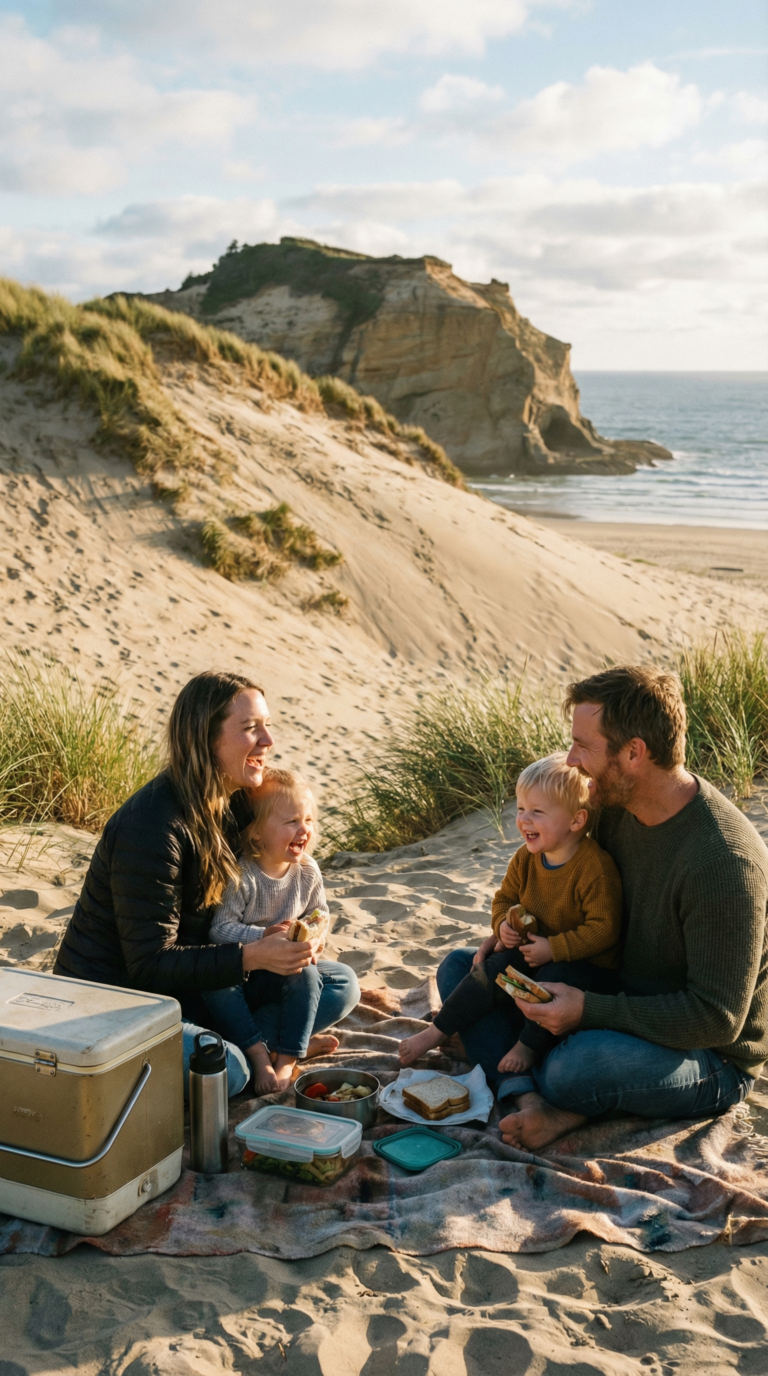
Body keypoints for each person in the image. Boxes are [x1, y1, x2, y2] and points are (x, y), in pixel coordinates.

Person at [486, 665, 768, 1151]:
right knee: (461, 973)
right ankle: (530, 1101)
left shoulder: (723, 861)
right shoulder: (613, 809)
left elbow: (718, 1018)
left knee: (577, 1067)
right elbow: (576, 887)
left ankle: (552, 1098)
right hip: (613, 989)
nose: (571, 760)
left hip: (707, 1054)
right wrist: (510, 927)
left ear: (634, 753)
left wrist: (587, 1011)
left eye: (584, 746)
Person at [54, 671, 359, 1095]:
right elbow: (149, 964)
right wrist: (250, 956)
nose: (268, 741)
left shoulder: (235, 803)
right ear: (205, 738)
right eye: (251, 729)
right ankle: (254, 1050)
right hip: (120, 1005)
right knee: (228, 1072)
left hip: (199, 986)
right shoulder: (152, 826)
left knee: (341, 984)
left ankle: (254, 1044)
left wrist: (282, 940)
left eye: (267, 726)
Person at [399, 753, 621, 1088]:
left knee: (556, 978)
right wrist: (502, 924)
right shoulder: (526, 859)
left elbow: (604, 929)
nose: (523, 820)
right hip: (531, 956)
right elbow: (504, 899)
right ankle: (438, 1029)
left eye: (537, 812)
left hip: (581, 969)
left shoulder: (594, 868)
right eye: (520, 809)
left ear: (576, 821)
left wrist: (554, 947)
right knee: (480, 967)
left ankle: (526, 1047)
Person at [205, 768, 331, 1094]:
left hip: (284, 978)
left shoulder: (307, 871)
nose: (303, 829)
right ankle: (259, 1054)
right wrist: (262, 936)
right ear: (258, 832)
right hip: (244, 979)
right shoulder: (243, 875)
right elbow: (220, 930)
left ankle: (287, 1057)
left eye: (308, 820)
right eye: (291, 822)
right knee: (212, 985)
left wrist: (314, 941)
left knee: (338, 982)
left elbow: (319, 914)